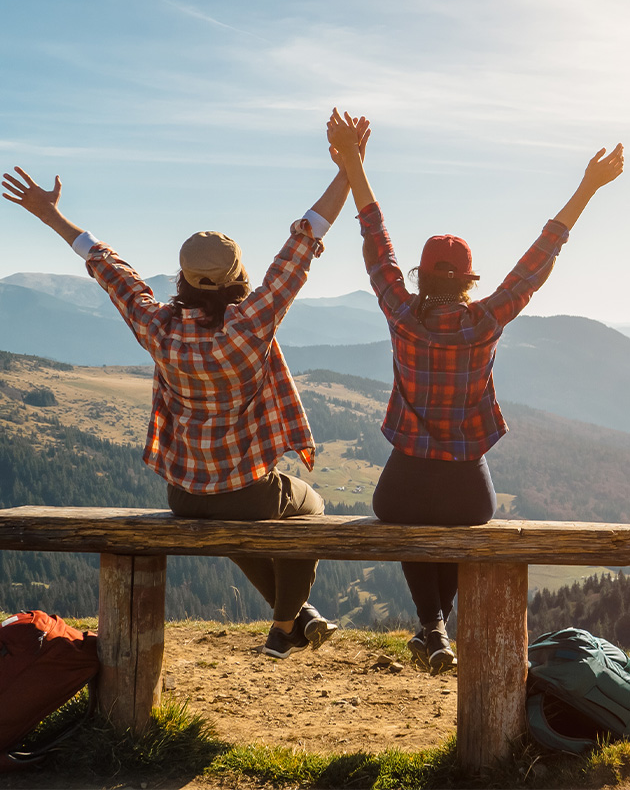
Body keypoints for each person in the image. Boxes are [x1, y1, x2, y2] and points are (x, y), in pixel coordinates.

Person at [2, 117, 370, 659]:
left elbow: (108, 267)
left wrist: (50, 213)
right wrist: (348, 168)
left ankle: (301, 617)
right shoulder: (249, 327)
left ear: (180, 278)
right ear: (238, 277)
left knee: (228, 518)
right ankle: (285, 626)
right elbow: (304, 241)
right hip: (244, 493)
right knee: (310, 510)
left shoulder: (158, 328)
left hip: (184, 496)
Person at [327, 107, 623, 672]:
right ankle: (436, 628)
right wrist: (588, 186)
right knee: (460, 533)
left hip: (403, 485)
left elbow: (375, 238)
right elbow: (542, 255)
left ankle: (432, 627)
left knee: (411, 525)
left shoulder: (400, 312)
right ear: (467, 279)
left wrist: (356, 164)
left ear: (419, 274)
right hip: (468, 491)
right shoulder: (488, 319)